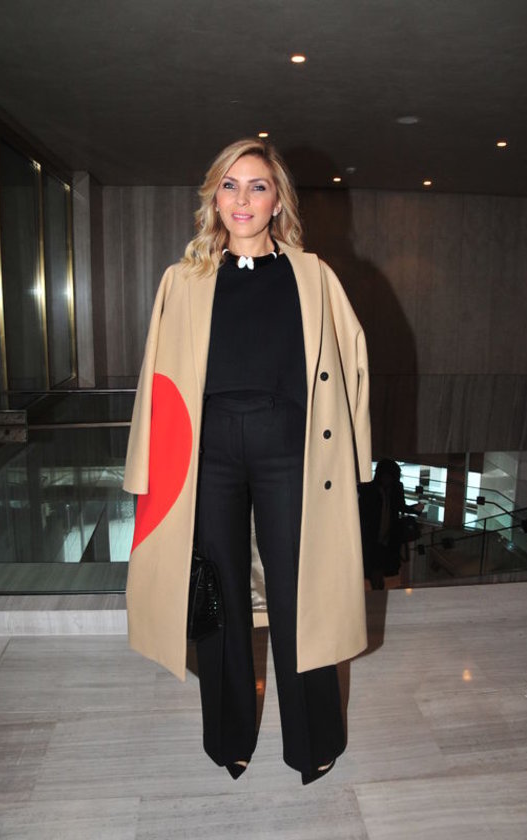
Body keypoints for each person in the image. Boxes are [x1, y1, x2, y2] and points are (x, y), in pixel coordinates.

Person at [123, 138, 372, 784]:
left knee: (300, 593)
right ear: (214, 199)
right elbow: (156, 382)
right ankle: (228, 737)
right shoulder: (182, 281)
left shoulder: (313, 275)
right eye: (229, 186)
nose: (242, 199)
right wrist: (144, 470)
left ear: (277, 200)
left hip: (290, 447)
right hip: (209, 452)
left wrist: (357, 459)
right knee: (219, 592)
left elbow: (352, 364)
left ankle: (313, 741)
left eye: (257, 186)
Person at [359, 459, 424, 590]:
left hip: (387, 536)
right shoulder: (368, 490)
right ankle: (376, 586)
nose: (387, 480)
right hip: (372, 536)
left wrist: (414, 509)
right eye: (386, 476)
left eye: (390, 476)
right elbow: (362, 512)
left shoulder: (395, 489)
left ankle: (377, 587)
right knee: (375, 564)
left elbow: (400, 506)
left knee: (380, 564)